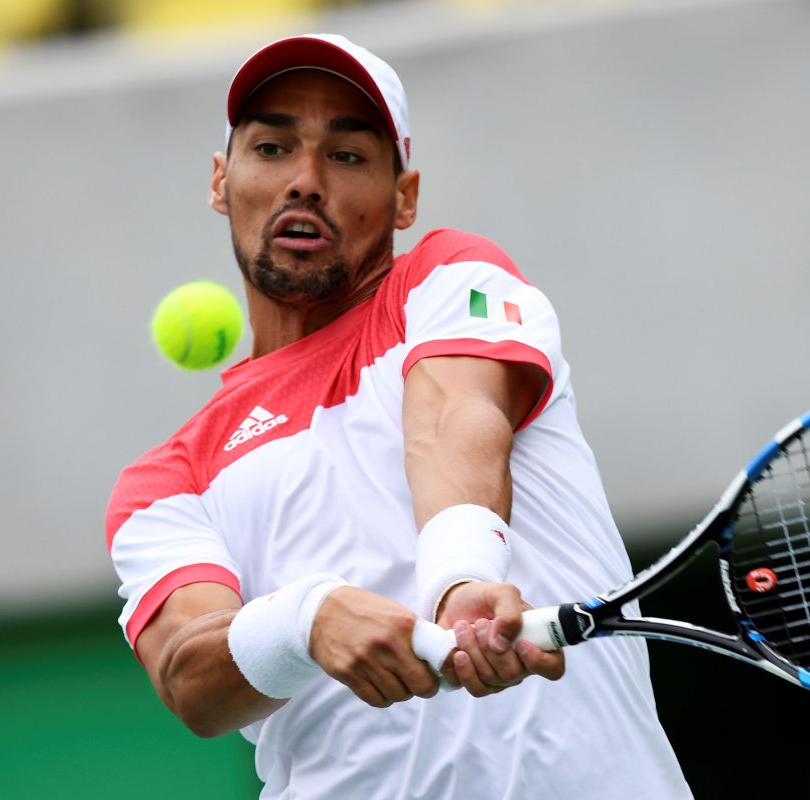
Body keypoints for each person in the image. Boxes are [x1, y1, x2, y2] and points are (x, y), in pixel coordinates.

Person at [104, 33, 693, 800]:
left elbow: (452, 415)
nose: (305, 181)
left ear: (403, 196)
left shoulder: (447, 279)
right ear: (222, 181)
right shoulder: (166, 482)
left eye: (347, 156)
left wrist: (463, 578)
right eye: (272, 147)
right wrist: (304, 621)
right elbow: (191, 676)